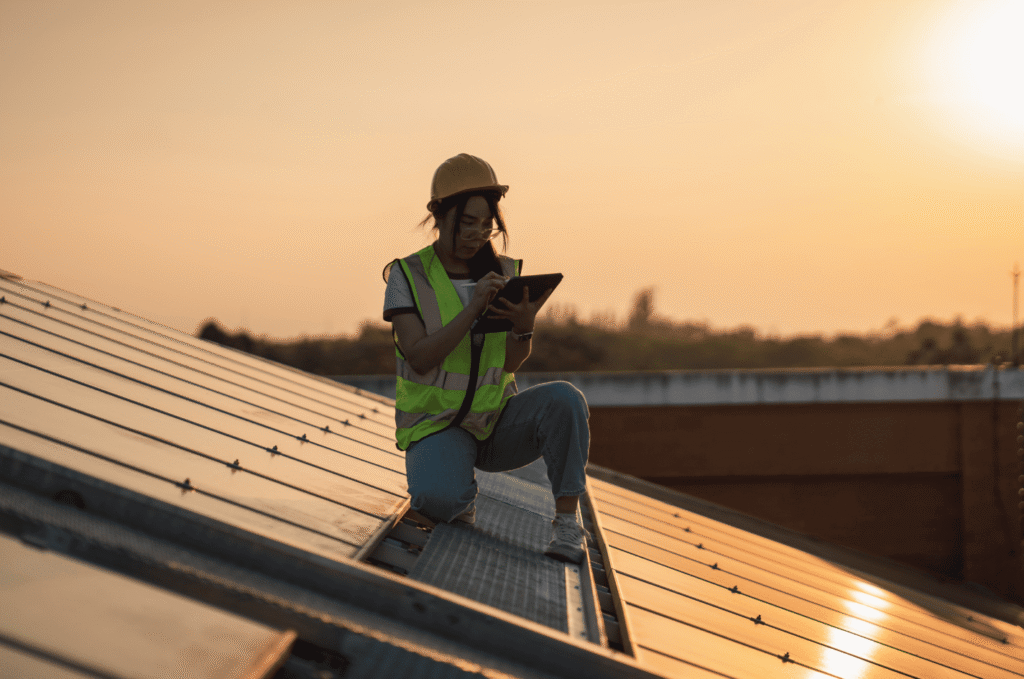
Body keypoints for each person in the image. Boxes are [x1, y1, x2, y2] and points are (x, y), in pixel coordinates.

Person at [382, 153, 590, 563]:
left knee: (566, 401)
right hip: (436, 427)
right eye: (466, 222)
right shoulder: (407, 277)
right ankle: (458, 492)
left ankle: (567, 525)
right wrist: (473, 308)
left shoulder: (503, 272)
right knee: (437, 498)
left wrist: (523, 327)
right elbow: (421, 357)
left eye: (486, 223)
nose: (477, 234)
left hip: (494, 422)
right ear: (437, 215)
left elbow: (511, 363)